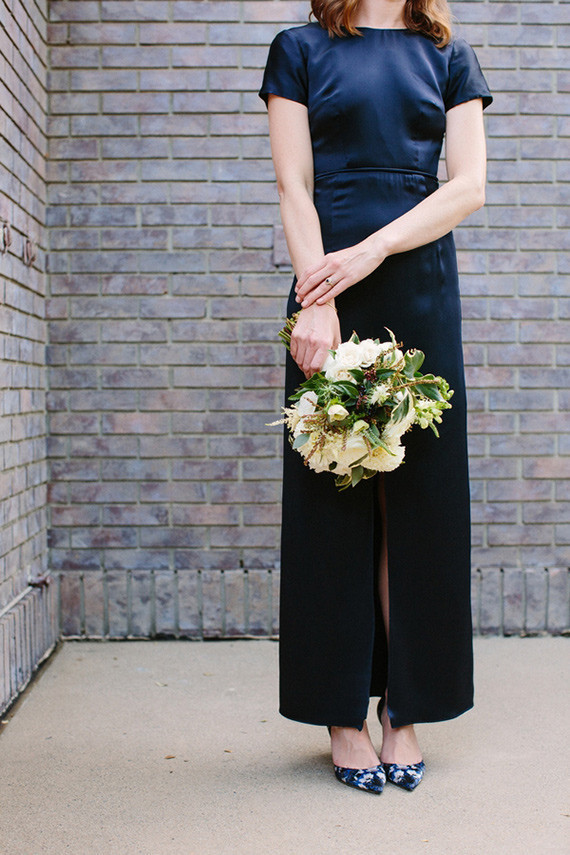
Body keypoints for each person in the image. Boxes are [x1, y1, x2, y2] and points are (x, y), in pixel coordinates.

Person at [259, 0, 492, 794]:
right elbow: (294, 185)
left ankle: (405, 709)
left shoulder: (448, 54)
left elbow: (469, 187)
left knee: (420, 504)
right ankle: (340, 717)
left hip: (418, 285)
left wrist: (375, 248)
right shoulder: (299, 48)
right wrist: (317, 295)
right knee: (331, 496)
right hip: (326, 288)